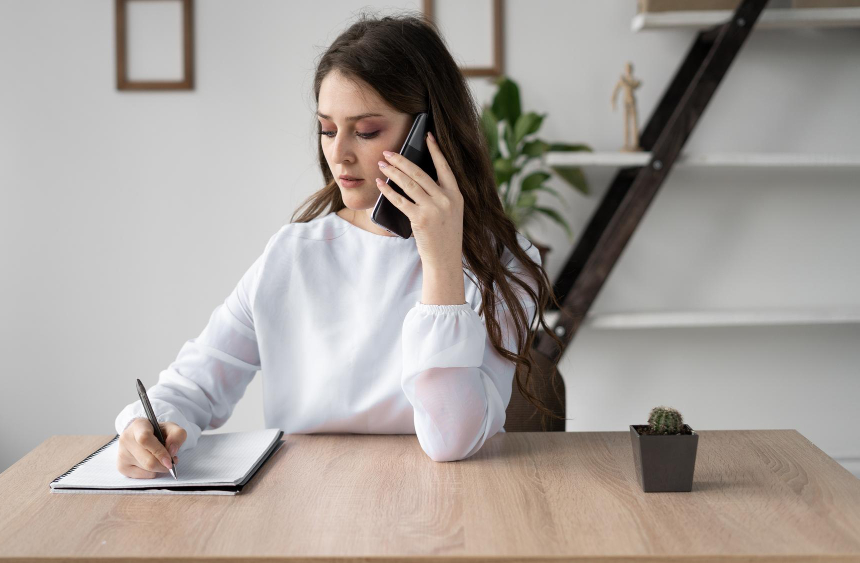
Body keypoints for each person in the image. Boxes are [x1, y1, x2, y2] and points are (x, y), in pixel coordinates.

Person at [116, 11, 566, 478]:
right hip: (306, 510)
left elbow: (452, 440)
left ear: (429, 135)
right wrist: (143, 427)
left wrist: (440, 263)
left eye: (367, 131)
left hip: (451, 510)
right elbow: (191, 386)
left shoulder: (502, 262)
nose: (338, 153)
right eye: (328, 129)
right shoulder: (293, 254)